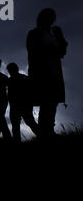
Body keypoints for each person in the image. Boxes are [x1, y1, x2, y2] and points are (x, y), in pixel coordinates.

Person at [27, 8, 68, 138]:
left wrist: (61, 41)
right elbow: (33, 53)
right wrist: (51, 49)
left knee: (53, 102)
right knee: (46, 103)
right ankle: (45, 133)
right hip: (41, 74)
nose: (51, 20)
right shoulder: (34, 33)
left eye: (52, 17)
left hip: (55, 72)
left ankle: (49, 130)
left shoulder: (54, 33)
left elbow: (62, 52)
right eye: (48, 17)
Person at [6, 63, 40, 142]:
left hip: (20, 106)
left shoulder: (11, 80)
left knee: (21, 125)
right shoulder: (23, 78)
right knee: (29, 124)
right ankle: (44, 136)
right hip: (22, 106)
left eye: (9, 70)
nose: (9, 72)